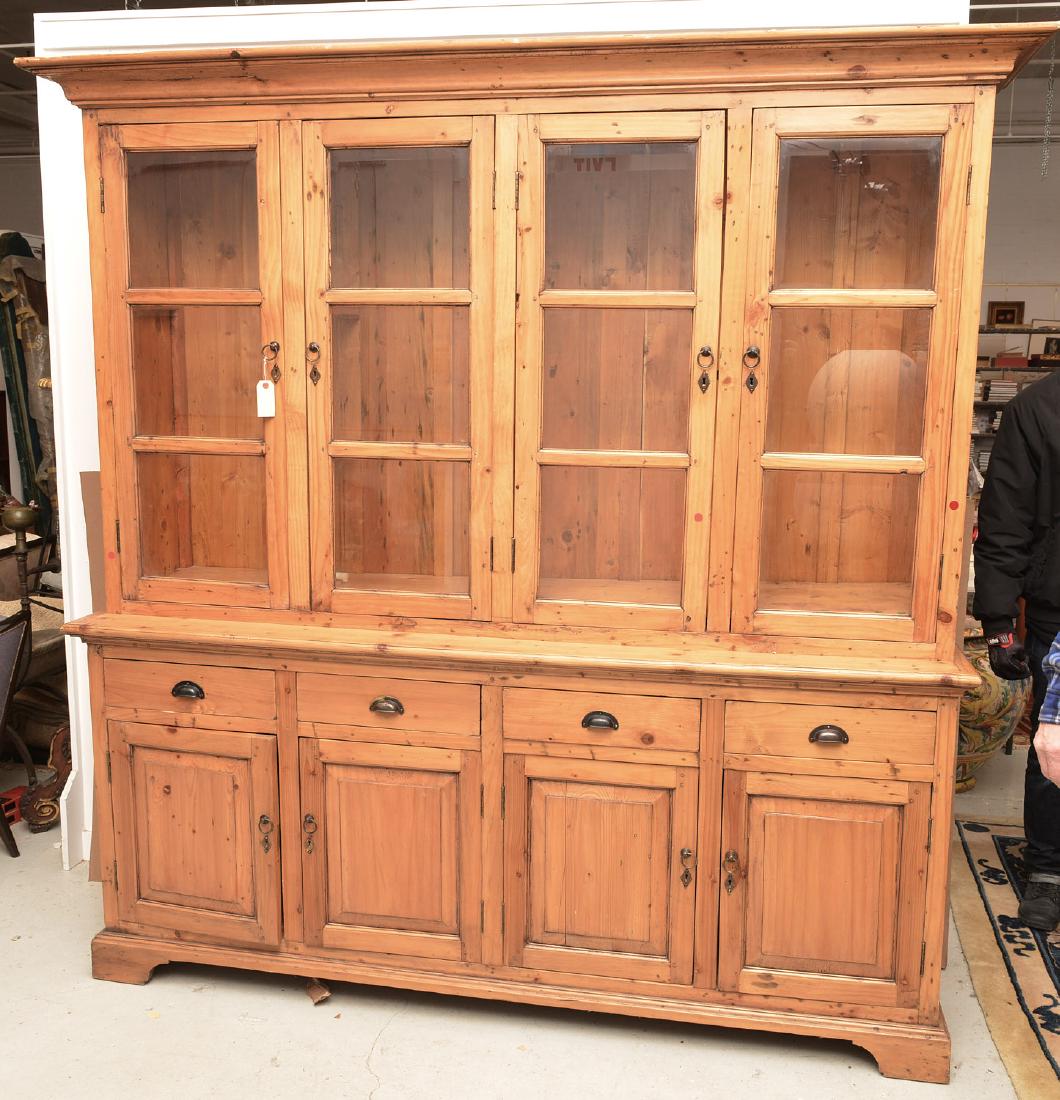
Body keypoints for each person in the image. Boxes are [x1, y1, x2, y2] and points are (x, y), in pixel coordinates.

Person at [974, 367, 1060, 931]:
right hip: (1057, 607)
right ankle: (1049, 868)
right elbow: (1006, 515)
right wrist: (999, 618)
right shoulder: (1038, 407)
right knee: (1054, 743)